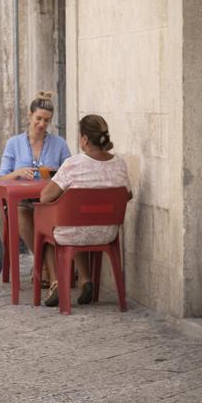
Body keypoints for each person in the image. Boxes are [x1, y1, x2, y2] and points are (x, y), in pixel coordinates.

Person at [38, 114, 132, 307]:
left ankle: (56, 283)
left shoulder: (73, 164)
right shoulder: (120, 164)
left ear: (85, 139)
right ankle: (86, 280)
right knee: (75, 219)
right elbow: (127, 195)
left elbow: (45, 197)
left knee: (48, 228)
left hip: (73, 233)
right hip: (106, 233)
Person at [0, 92, 71, 288]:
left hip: (49, 201)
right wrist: (18, 172)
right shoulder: (14, 143)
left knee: (42, 215)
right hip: (23, 202)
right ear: (29, 116)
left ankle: (44, 268)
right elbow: (0, 179)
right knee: (21, 212)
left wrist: (54, 174)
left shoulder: (60, 144)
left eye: (47, 120)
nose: (42, 124)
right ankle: (44, 264)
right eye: (38, 118)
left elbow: (70, 174)